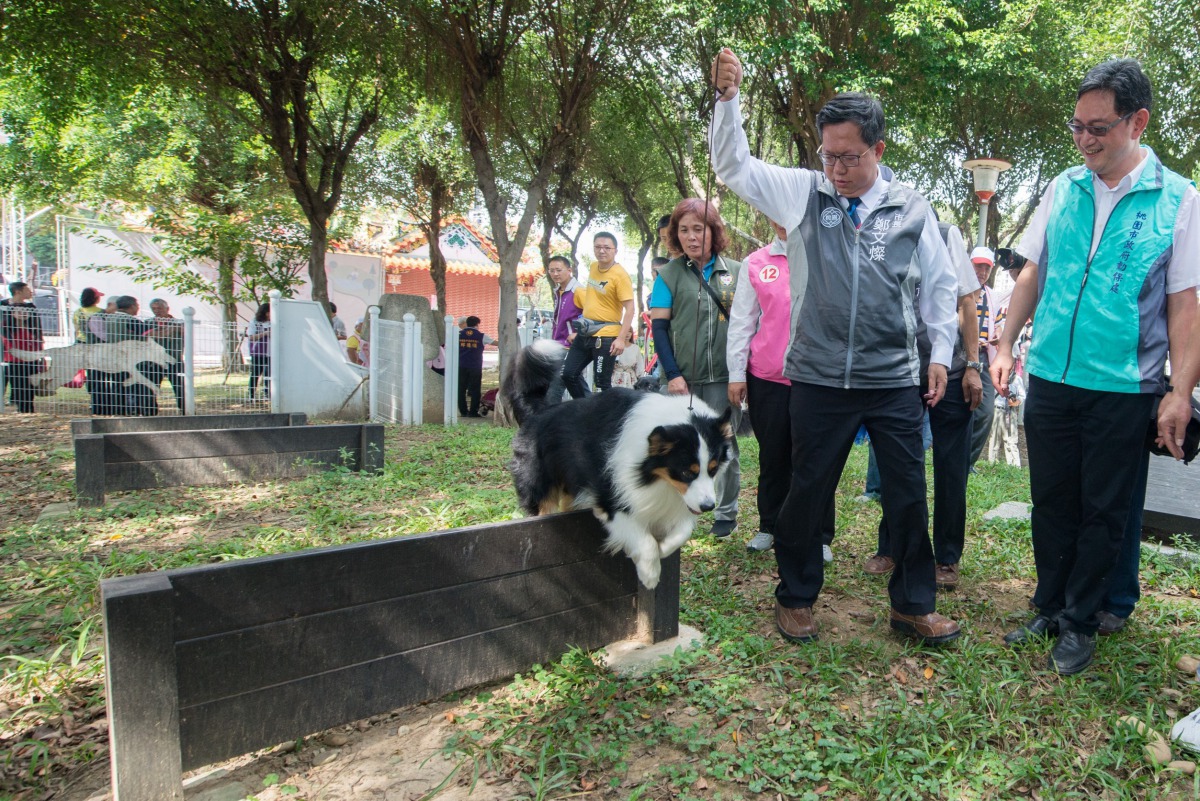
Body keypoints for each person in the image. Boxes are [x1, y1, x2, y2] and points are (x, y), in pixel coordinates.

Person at [710, 48, 961, 646]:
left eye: (849, 157)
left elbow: (943, 287)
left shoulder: (912, 209)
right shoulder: (805, 194)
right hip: (817, 378)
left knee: (907, 495)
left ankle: (912, 605)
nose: (837, 169)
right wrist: (727, 102)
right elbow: (734, 168)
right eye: (828, 155)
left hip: (892, 379)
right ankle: (796, 597)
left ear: (878, 150)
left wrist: (942, 356)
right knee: (806, 490)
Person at [994, 59, 1199, 676]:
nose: (1085, 139)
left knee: (1105, 508)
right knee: (1051, 499)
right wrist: (1005, 346)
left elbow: (1185, 304)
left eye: (1099, 127)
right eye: (1077, 126)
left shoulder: (1179, 201)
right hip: (1052, 376)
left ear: (1137, 122)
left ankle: (1082, 621)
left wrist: (1179, 391)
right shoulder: (1063, 187)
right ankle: (1049, 605)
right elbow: (1033, 271)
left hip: (1121, 385)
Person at [865, 222, 982, 590]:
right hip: (901, 372)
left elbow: (966, 301)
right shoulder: (881, 234)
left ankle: (947, 558)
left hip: (951, 368)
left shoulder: (945, 235)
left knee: (951, 466)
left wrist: (974, 367)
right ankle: (892, 547)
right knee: (898, 464)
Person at [727, 220, 834, 558]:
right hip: (767, 377)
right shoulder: (756, 263)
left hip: (815, 378)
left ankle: (818, 535)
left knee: (815, 458)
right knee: (772, 456)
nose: (782, 217)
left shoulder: (825, 256)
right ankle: (769, 526)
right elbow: (743, 320)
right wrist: (736, 372)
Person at [650, 198, 743, 538]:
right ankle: (677, 511)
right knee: (677, 448)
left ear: (713, 231)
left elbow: (748, 325)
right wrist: (672, 374)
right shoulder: (669, 275)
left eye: (698, 229)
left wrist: (740, 374)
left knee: (724, 449)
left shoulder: (736, 272)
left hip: (724, 378)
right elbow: (659, 329)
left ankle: (726, 514)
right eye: (683, 230)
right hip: (681, 380)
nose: (691, 237)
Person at [549, 232, 635, 399]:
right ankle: (586, 411)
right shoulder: (594, 266)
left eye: (607, 247)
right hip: (586, 332)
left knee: (602, 382)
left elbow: (630, 309)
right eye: (598, 247)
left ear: (615, 250)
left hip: (606, 336)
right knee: (568, 374)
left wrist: (621, 338)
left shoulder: (620, 275)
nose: (602, 251)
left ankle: (609, 420)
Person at [968, 247, 1000, 466]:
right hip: (959, 355)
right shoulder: (957, 290)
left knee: (986, 412)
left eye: (986, 267)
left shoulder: (993, 297)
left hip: (984, 357)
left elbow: (998, 325)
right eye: (978, 265)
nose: (982, 271)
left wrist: (999, 335)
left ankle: (967, 461)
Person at [105, 296, 158, 416]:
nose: (138, 307)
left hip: (115, 358)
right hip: (132, 359)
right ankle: (143, 411)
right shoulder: (130, 320)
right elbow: (149, 334)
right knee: (138, 386)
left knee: (118, 385)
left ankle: (119, 411)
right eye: (137, 304)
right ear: (132, 306)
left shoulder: (109, 318)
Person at [1, 282, 44, 413]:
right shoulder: (3, 306)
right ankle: (18, 406)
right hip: (10, 353)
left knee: (29, 382)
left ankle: (27, 409)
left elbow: (37, 329)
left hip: (30, 351)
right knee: (17, 382)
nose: (30, 292)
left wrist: (39, 344)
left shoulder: (31, 307)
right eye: (27, 289)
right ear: (18, 291)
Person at [149, 298, 185, 412]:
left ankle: (184, 409)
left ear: (167, 309)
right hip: (154, 361)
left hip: (174, 360)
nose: (156, 311)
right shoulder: (148, 323)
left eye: (159, 308)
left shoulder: (179, 322)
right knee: (152, 386)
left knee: (179, 386)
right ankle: (150, 410)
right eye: (154, 309)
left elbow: (185, 332)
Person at [458, 315, 493, 417]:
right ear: (477, 324)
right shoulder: (481, 336)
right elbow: (495, 343)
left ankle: (463, 411)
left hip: (461, 365)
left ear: (466, 323)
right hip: (475, 366)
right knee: (475, 389)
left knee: (461, 389)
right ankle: (473, 412)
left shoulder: (458, 334)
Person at [547, 255, 581, 348]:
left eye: (558, 270)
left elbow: (592, 316)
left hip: (572, 345)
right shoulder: (558, 291)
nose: (555, 274)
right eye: (552, 271)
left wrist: (579, 334)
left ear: (569, 271)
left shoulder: (578, 291)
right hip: (558, 345)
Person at [247, 303, 271, 401]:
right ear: (266, 313)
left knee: (269, 374)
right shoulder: (254, 322)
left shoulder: (274, 322)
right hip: (258, 352)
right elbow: (251, 337)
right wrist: (265, 333)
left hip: (271, 352)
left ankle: (267, 394)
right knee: (256, 373)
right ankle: (251, 395)